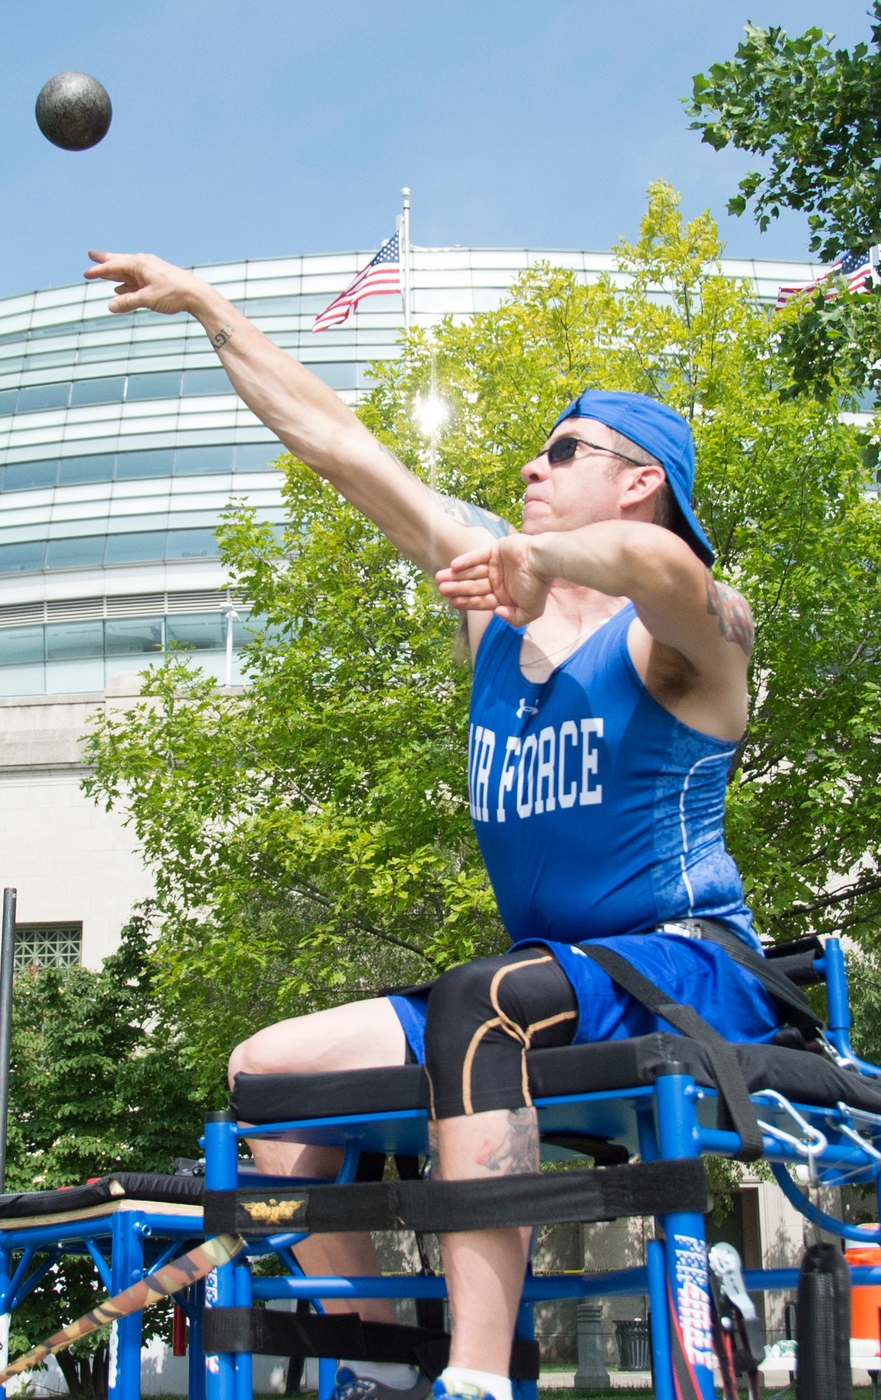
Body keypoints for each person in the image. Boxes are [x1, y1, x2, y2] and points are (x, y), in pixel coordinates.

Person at [85, 250, 782, 1400]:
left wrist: (538, 557)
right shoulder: (493, 611)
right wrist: (209, 307)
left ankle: (474, 1375)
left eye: (564, 451)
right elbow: (339, 444)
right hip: (542, 980)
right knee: (267, 1067)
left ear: (640, 479)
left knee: (480, 998)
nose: (531, 464)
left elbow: (659, 565)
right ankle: (377, 1362)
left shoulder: (689, 639)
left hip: (687, 970)